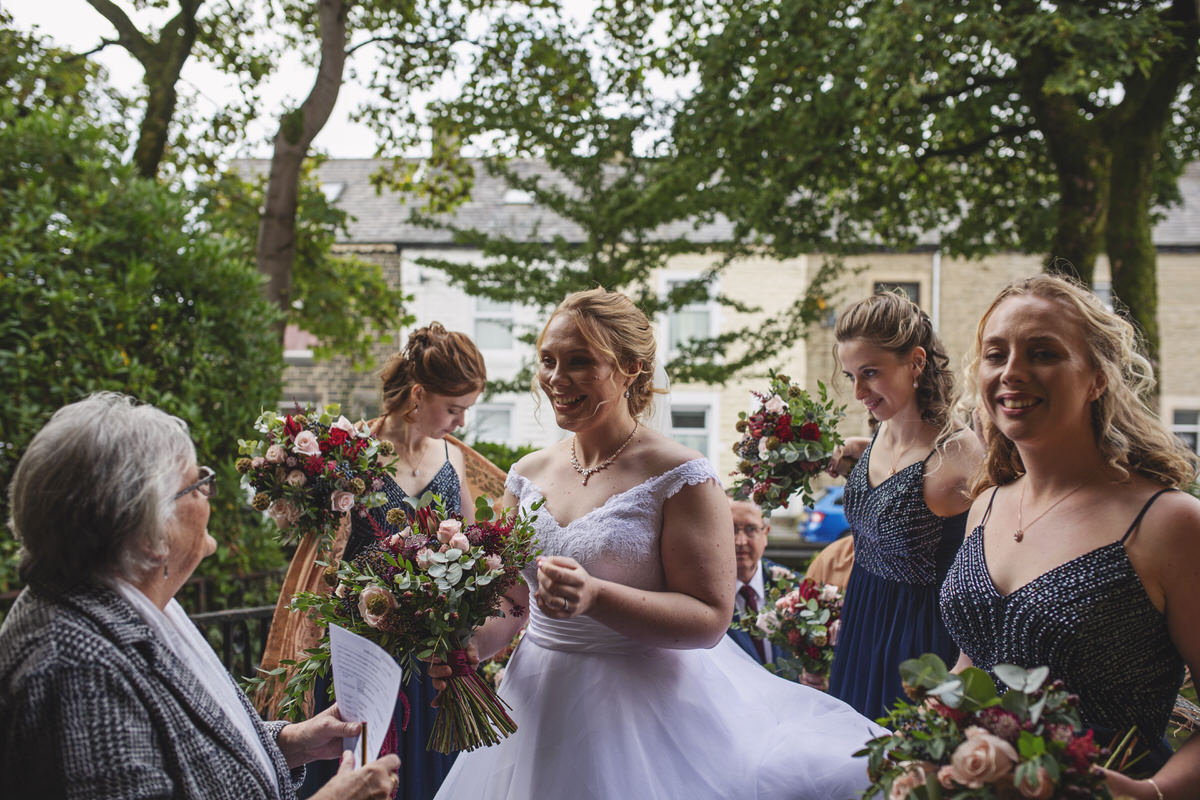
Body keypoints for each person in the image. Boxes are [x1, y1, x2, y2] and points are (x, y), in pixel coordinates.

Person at [430, 288, 882, 800]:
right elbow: (513, 606)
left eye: (579, 362)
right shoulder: (526, 474)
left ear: (631, 369)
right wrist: (470, 647)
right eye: (548, 360)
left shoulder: (678, 475)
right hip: (534, 701)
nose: (556, 378)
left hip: (643, 714)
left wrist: (597, 596)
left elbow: (710, 617)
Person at [0, 392, 400, 800]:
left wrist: (289, 743)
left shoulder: (131, 603)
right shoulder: (77, 671)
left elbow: (181, 748)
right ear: (152, 533)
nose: (209, 493)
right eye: (196, 483)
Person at [939, 275, 1200, 799]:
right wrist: (923, 734)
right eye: (996, 354)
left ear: (1097, 378)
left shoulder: (1167, 523)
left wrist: (1147, 794)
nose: (1012, 372)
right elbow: (972, 664)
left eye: (1043, 353)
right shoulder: (985, 505)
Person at [300, 322, 489, 800]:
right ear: (419, 394)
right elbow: (324, 561)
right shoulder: (354, 454)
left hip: (430, 665)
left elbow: (470, 555)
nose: (460, 423)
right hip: (360, 659)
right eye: (454, 409)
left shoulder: (454, 458)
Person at [825, 290, 984, 721]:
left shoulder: (959, 455)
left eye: (871, 373)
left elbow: (991, 571)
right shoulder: (879, 433)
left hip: (920, 640)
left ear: (916, 362)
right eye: (851, 375)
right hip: (862, 620)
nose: (858, 391)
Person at [727, 496, 791, 665]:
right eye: (731, 529)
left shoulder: (792, 588)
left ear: (765, 534)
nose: (740, 541)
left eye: (750, 529)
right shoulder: (702, 593)